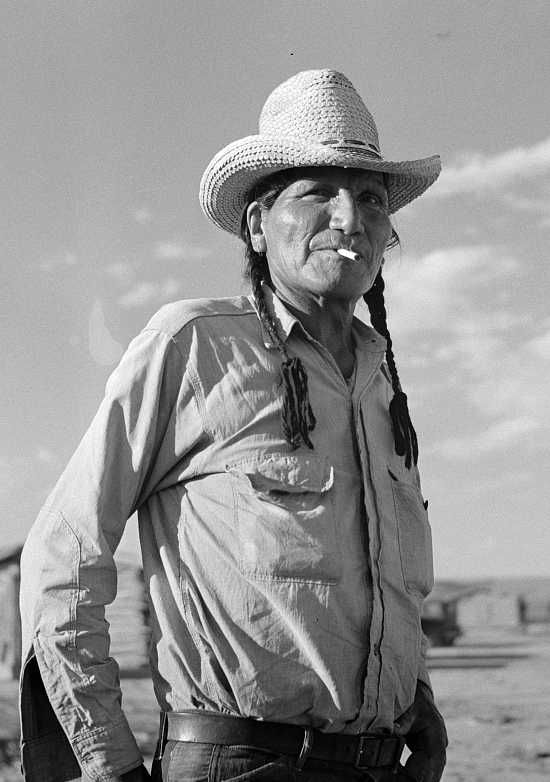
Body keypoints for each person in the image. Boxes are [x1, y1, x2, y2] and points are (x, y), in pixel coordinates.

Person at [19, 69, 447, 782]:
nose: (351, 218)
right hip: (237, 764)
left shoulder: (382, 383)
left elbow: (389, 582)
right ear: (257, 223)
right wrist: (108, 764)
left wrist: (419, 705)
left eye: (371, 198)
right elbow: (62, 554)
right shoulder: (193, 346)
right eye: (318, 192)